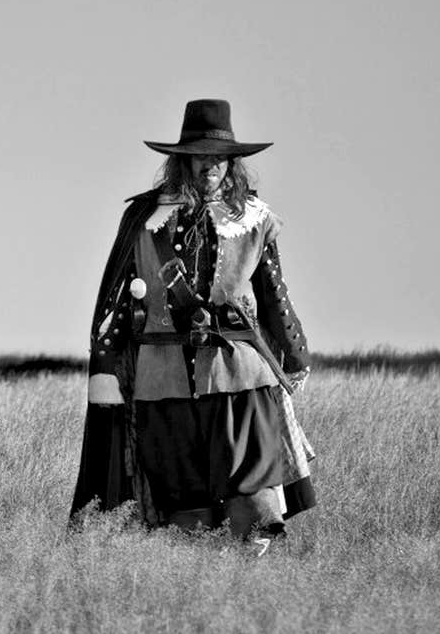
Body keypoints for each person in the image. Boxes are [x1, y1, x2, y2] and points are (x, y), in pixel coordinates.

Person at [69, 99, 316, 544]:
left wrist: (294, 353)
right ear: (182, 160)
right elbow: (116, 299)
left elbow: (274, 293)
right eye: (200, 156)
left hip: (239, 374)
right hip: (162, 378)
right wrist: (107, 367)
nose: (210, 165)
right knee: (181, 496)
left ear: (232, 163)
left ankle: (257, 579)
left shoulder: (255, 219)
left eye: (219, 157)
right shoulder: (144, 219)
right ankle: (197, 576)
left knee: (253, 487)